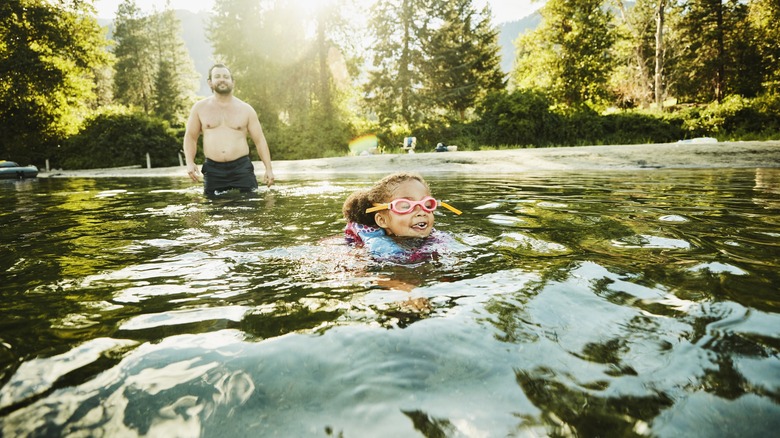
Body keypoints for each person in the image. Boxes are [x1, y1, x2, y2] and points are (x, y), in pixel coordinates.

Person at [183, 63, 274, 196]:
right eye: (217, 76)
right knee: (213, 213)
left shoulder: (246, 109)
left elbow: (260, 140)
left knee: (251, 210)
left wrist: (269, 169)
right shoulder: (199, 108)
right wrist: (190, 163)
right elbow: (190, 137)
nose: (222, 79)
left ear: (233, 82)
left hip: (242, 169)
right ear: (210, 82)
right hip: (213, 171)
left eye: (226, 76)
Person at [342, 172, 462, 262]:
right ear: (382, 221)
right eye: (405, 206)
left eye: (427, 205)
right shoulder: (379, 247)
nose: (421, 212)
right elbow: (386, 277)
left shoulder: (436, 237)